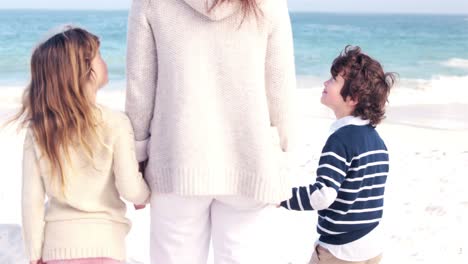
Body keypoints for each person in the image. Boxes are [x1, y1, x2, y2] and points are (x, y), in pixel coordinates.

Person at [125, 0, 296, 263]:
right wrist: (282, 161)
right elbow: (280, 91)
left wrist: (136, 158)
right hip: (250, 161)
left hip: (176, 162)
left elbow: (140, 88)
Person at [14, 26, 150, 264]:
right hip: (106, 247)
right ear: (86, 70)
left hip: (57, 249)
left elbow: (31, 202)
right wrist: (145, 195)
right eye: (100, 56)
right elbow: (129, 188)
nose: (104, 61)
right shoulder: (115, 123)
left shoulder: (39, 130)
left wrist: (35, 254)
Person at [280, 46, 396, 264]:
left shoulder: (340, 140)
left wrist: (281, 196)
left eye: (334, 79)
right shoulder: (377, 141)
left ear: (353, 97)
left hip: (340, 251)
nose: (325, 83)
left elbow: (324, 195)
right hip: (372, 246)